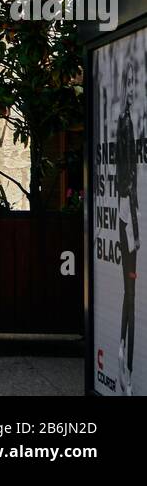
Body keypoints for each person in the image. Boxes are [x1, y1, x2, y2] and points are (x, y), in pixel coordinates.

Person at [116, 59, 139, 395]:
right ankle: (126, 361)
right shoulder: (125, 123)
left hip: (130, 214)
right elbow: (125, 178)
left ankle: (125, 357)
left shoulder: (128, 121)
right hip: (128, 216)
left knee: (130, 293)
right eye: (130, 82)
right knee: (130, 292)